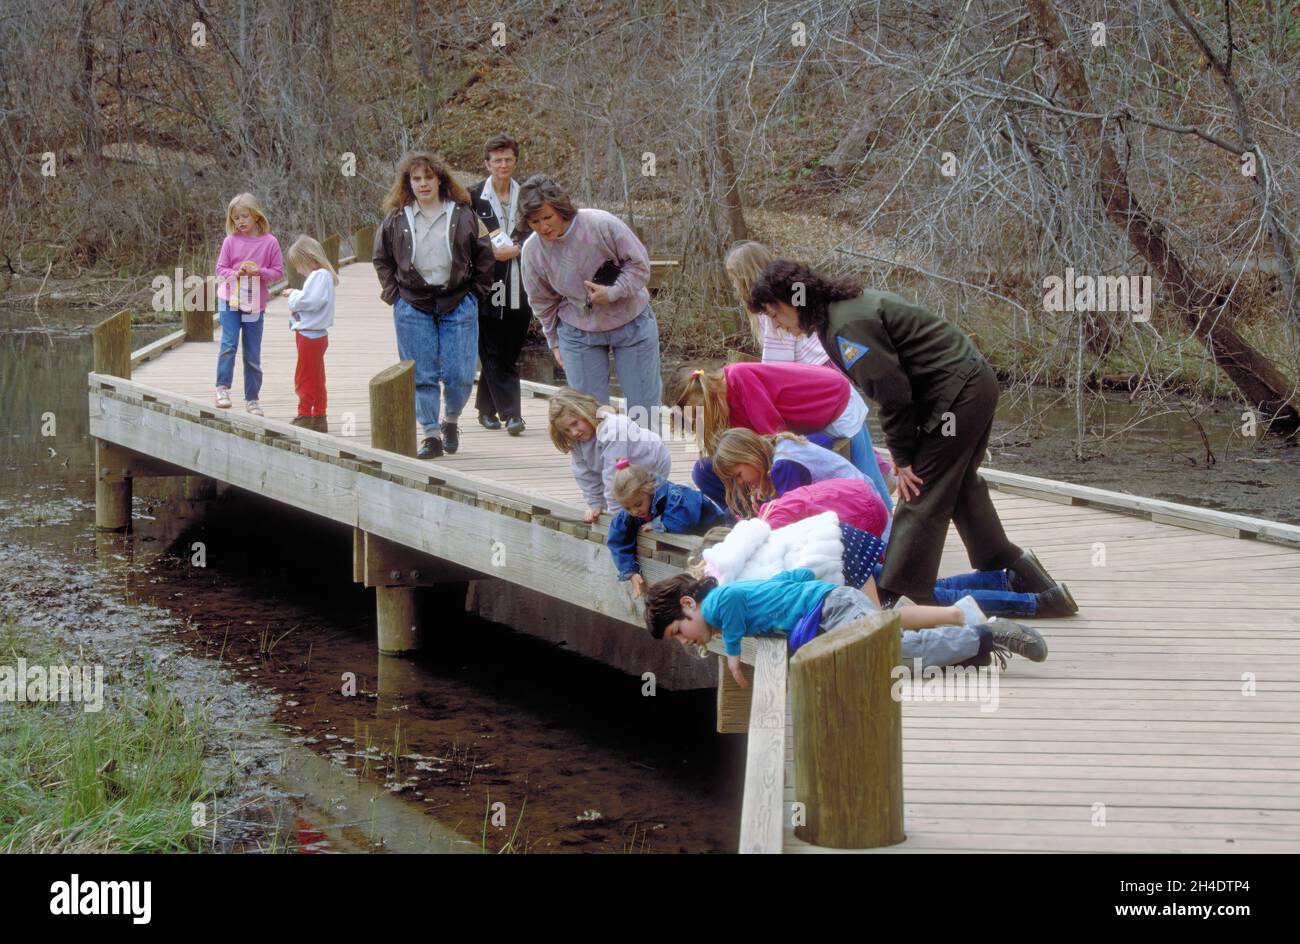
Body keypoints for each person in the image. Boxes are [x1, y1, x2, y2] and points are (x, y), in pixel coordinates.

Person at [748, 260, 1060, 605]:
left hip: (958, 393)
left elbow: (892, 393)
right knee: (958, 485)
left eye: (774, 313)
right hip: (967, 385)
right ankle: (1016, 572)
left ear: (795, 300)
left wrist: (903, 455)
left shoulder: (846, 325)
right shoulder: (836, 313)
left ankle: (898, 597)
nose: (775, 325)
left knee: (919, 490)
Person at [643, 569, 1048, 689]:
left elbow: (731, 611)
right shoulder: (728, 600)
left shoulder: (718, 601)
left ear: (688, 604)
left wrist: (733, 658)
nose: (685, 641)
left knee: (894, 653)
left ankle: (989, 635)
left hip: (832, 609)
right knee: (886, 648)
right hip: (828, 607)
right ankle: (971, 637)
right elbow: (791, 576)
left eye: (679, 631)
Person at [726, 240, 890, 512]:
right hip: (829, 369)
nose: (734, 288)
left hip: (817, 376)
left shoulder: (771, 315)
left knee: (844, 443)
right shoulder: (784, 302)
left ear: (745, 278)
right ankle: (880, 471)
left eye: (734, 280)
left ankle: (880, 492)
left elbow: (773, 368)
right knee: (856, 440)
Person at [373, 151, 494, 459]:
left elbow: (484, 254)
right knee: (421, 374)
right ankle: (430, 434)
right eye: (416, 178)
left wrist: (476, 293)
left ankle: (451, 420)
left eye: (428, 177)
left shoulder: (463, 214)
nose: (423, 184)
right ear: (408, 183)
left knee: (460, 373)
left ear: (440, 179)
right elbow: (381, 258)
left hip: (457, 300)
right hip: (413, 304)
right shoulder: (397, 217)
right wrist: (394, 295)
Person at [519, 174, 662, 433]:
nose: (543, 227)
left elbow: (640, 266)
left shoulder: (600, 223)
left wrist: (614, 292)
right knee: (586, 415)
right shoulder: (532, 251)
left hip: (631, 321)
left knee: (643, 412)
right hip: (577, 329)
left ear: (561, 210)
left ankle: (646, 473)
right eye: (535, 221)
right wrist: (554, 343)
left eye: (547, 218)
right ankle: (596, 473)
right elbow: (542, 302)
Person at [667, 362, 894, 514]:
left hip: (833, 406)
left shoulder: (740, 378)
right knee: (704, 469)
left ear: (709, 398)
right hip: (800, 427)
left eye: (699, 418)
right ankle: (751, 518)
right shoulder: (724, 406)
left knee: (873, 489)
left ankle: (893, 549)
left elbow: (774, 439)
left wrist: (763, 487)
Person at [708, 427, 886, 535]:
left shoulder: (784, 466)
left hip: (861, 512)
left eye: (738, 475)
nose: (739, 483)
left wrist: (767, 506)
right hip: (861, 497)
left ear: (749, 457)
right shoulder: (779, 445)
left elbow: (791, 517)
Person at [468, 134, 531, 435]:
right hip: (487, 284)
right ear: (487, 163)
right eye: (497, 160)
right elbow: (465, 238)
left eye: (508, 159)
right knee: (492, 348)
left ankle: (485, 409)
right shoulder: (472, 197)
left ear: (515, 162)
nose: (503, 164)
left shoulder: (528, 195)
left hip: (522, 283)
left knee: (509, 350)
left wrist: (517, 249)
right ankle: (512, 414)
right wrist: (491, 253)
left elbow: (539, 229)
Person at [606, 459, 732, 598]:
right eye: (627, 508)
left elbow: (685, 520)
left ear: (649, 490)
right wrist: (630, 571)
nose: (634, 512)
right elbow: (617, 536)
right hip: (689, 546)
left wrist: (657, 524)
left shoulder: (674, 495)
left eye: (638, 504)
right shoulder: (633, 508)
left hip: (717, 528)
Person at [546, 387, 671, 523]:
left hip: (651, 462)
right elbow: (584, 474)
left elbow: (613, 473)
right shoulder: (577, 441)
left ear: (586, 411)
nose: (574, 432)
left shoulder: (614, 429)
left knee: (648, 500)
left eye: (575, 423)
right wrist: (595, 503)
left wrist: (616, 514)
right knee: (630, 503)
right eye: (566, 430)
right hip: (624, 470)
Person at [214, 193, 283, 415]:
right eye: (235, 218)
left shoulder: (270, 242)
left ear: (255, 215)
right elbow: (220, 269)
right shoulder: (230, 241)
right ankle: (222, 388)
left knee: (252, 353)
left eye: (244, 216)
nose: (240, 221)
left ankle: (252, 399)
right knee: (229, 344)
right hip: (229, 300)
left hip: (254, 304)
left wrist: (259, 272)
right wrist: (236, 273)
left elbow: (278, 273)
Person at [280, 235, 337, 432]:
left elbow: (311, 301)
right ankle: (319, 415)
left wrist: (293, 295)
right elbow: (312, 298)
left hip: (310, 336)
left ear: (310, 259)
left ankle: (305, 414)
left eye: (299, 265)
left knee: (304, 377)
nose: (298, 270)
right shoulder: (323, 276)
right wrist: (298, 293)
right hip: (314, 335)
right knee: (316, 376)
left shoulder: (319, 275)